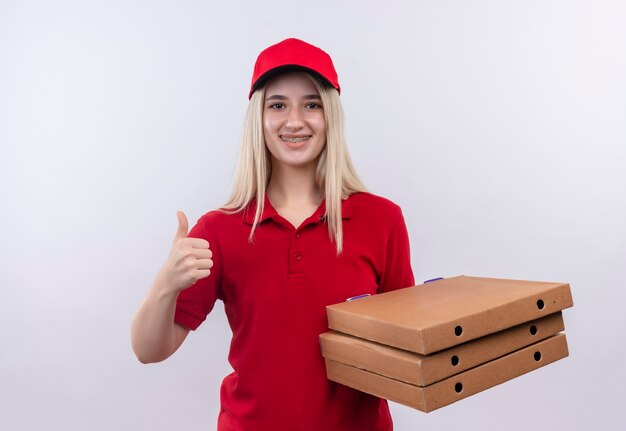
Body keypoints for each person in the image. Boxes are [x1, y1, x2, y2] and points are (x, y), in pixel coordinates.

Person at [131, 38, 415, 431]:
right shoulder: (219, 229)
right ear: (259, 118)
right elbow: (148, 351)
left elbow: (411, 351)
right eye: (278, 104)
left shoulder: (382, 219)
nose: (294, 120)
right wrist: (165, 283)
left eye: (312, 104)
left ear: (330, 115)